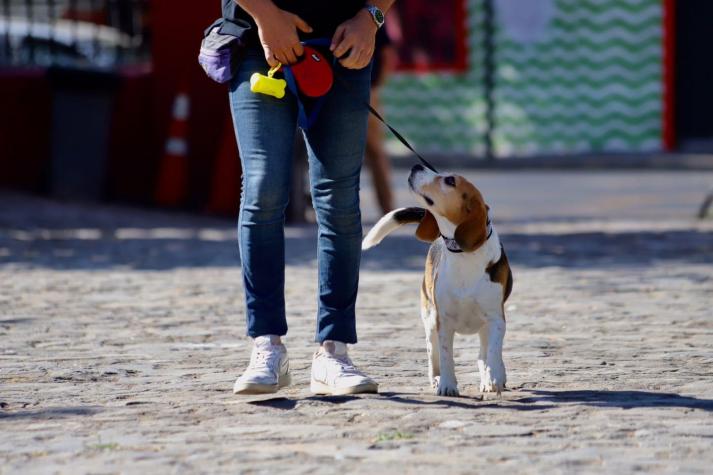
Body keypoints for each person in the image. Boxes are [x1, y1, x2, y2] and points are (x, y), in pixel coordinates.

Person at [226, 0, 397, 396]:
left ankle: (333, 352)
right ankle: (266, 346)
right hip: (257, 42)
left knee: (338, 196)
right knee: (263, 186)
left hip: (343, 45)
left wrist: (370, 17)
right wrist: (266, 16)